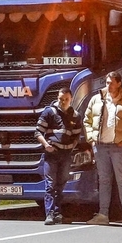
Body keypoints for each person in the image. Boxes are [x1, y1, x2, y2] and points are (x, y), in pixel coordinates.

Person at [83, 71, 122, 228]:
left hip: (118, 148)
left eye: (111, 82)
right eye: (106, 82)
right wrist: (91, 138)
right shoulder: (97, 99)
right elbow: (87, 120)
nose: (108, 85)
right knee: (104, 181)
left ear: (119, 83)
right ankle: (103, 215)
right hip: (101, 146)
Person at [35, 87, 82, 225]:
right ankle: (49, 214)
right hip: (52, 154)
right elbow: (37, 132)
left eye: (66, 99)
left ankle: (57, 212)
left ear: (71, 99)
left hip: (66, 155)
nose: (63, 101)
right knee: (50, 184)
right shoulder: (49, 112)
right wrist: (46, 145)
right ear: (57, 97)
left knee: (61, 185)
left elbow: (76, 136)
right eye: (61, 99)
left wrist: (71, 147)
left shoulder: (76, 116)